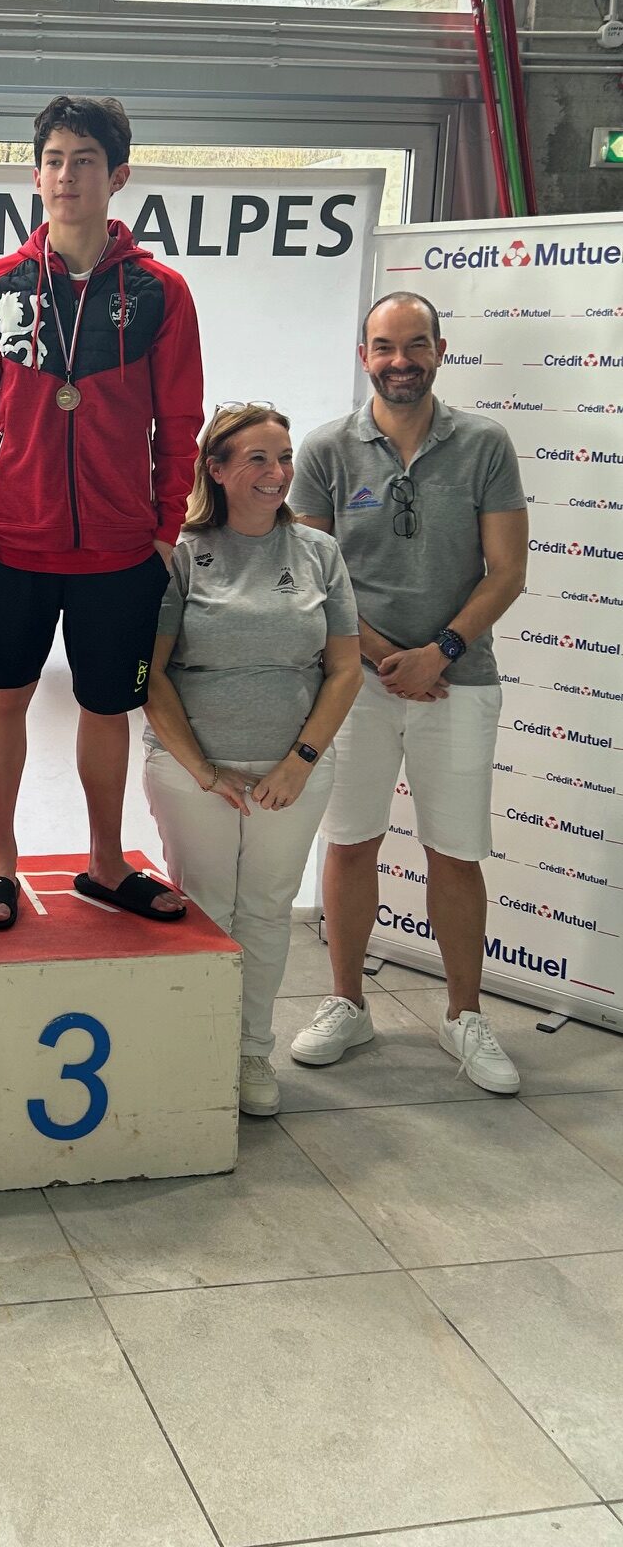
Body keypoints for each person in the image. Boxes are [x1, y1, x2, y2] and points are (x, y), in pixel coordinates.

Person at [0, 93, 204, 930]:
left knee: (107, 706)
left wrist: (164, 529)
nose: (66, 175)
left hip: (119, 548)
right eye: (53, 160)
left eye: (84, 160)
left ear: (117, 176)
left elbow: (181, 425)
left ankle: (105, 861)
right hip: (13, 538)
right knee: (5, 697)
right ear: (35, 175)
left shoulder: (160, 293)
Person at [289, 290, 529, 1091]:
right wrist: (391, 657)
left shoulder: (484, 444)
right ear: (364, 355)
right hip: (352, 685)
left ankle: (464, 1016)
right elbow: (315, 578)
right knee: (350, 841)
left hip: (461, 682)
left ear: (439, 351)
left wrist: (442, 652)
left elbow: (507, 571)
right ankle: (347, 1003)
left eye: (416, 345)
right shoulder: (325, 449)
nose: (401, 361)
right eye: (385, 347)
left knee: (455, 853)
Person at [142, 405, 362, 1115]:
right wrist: (205, 771)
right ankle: (199, 1053)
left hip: (291, 772)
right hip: (191, 771)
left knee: (267, 911)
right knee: (207, 908)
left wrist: (299, 761)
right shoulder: (181, 552)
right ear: (216, 469)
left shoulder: (319, 553)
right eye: (258, 459)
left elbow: (345, 670)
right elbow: (151, 675)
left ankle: (249, 1053)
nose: (277, 473)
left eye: (284, 457)